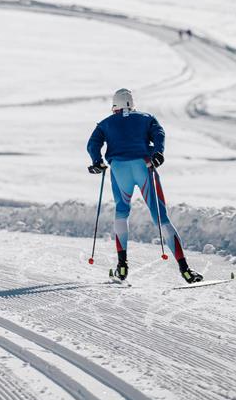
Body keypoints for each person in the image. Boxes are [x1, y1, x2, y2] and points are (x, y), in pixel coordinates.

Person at [86, 88, 203, 284]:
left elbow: (92, 143)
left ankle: (122, 266)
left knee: (121, 212)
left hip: (119, 169)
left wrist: (97, 161)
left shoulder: (105, 123)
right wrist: (158, 153)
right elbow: (159, 133)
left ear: (115, 106)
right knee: (161, 218)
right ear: (132, 104)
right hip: (144, 166)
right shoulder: (146, 118)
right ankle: (186, 270)